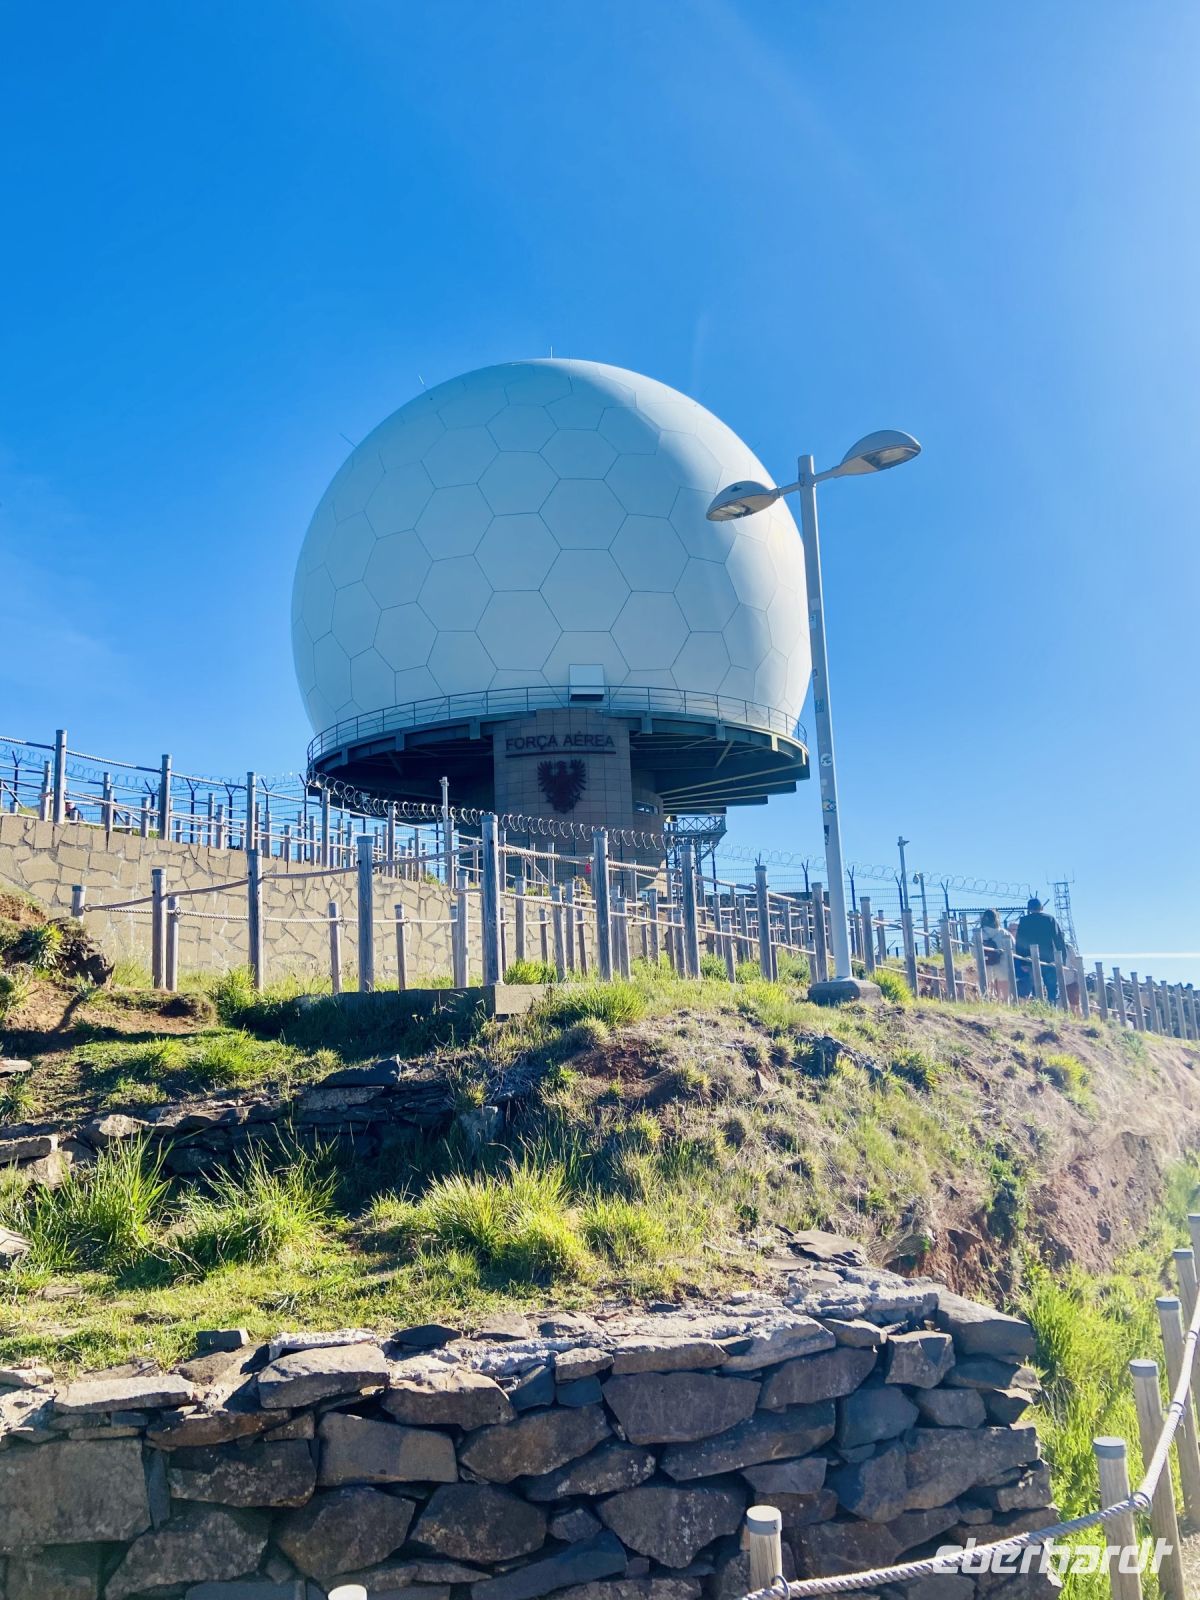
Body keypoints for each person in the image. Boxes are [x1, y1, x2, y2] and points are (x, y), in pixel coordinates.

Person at [1014, 897, 1068, 1002]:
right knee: (1052, 986)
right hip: (1049, 958)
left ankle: (1038, 1004)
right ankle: (1052, 1005)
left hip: (1030, 958)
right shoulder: (1050, 919)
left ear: (1029, 909)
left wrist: (1022, 962)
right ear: (1041, 907)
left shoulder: (1024, 921)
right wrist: (1062, 960)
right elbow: (1059, 940)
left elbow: (1019, 942)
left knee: (1035, 984)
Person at [979, 908, 1009, 1001]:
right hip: (1002, 966)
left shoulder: (979, 933)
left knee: (986, 991)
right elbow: (1012, 949)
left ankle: (987, 1004)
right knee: (1004, 996)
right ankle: (1005, 1007)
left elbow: (973, 952)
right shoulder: (1003, 932)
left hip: (984, 965)